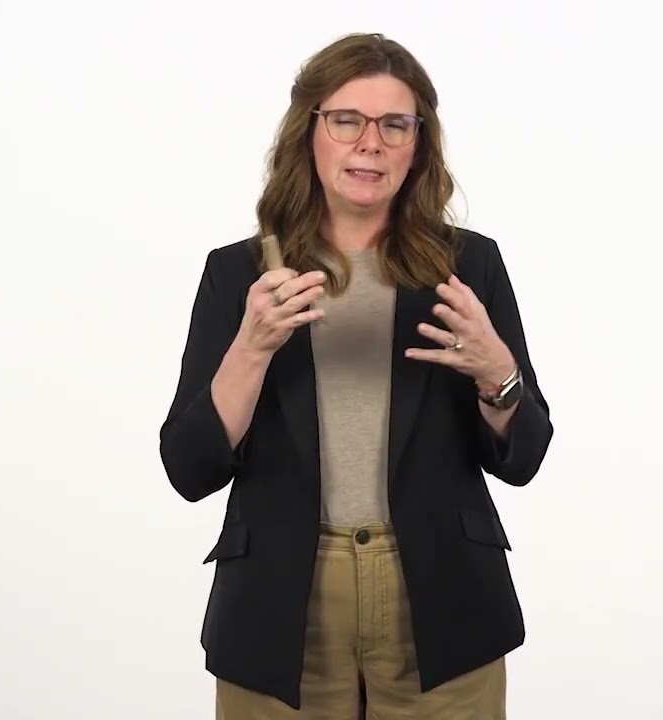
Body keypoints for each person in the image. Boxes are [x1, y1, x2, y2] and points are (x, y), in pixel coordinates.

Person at [159, 32, 553, 719]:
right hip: (281, 607)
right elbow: (190, 469)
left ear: (418, 143)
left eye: (394, 125)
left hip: (443, 601)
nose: (370, 143)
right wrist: (250, 348)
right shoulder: (241, 274)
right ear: (309, 131)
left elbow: (526, 457)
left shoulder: (468, 266)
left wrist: (500, 374)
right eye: (347, 120)